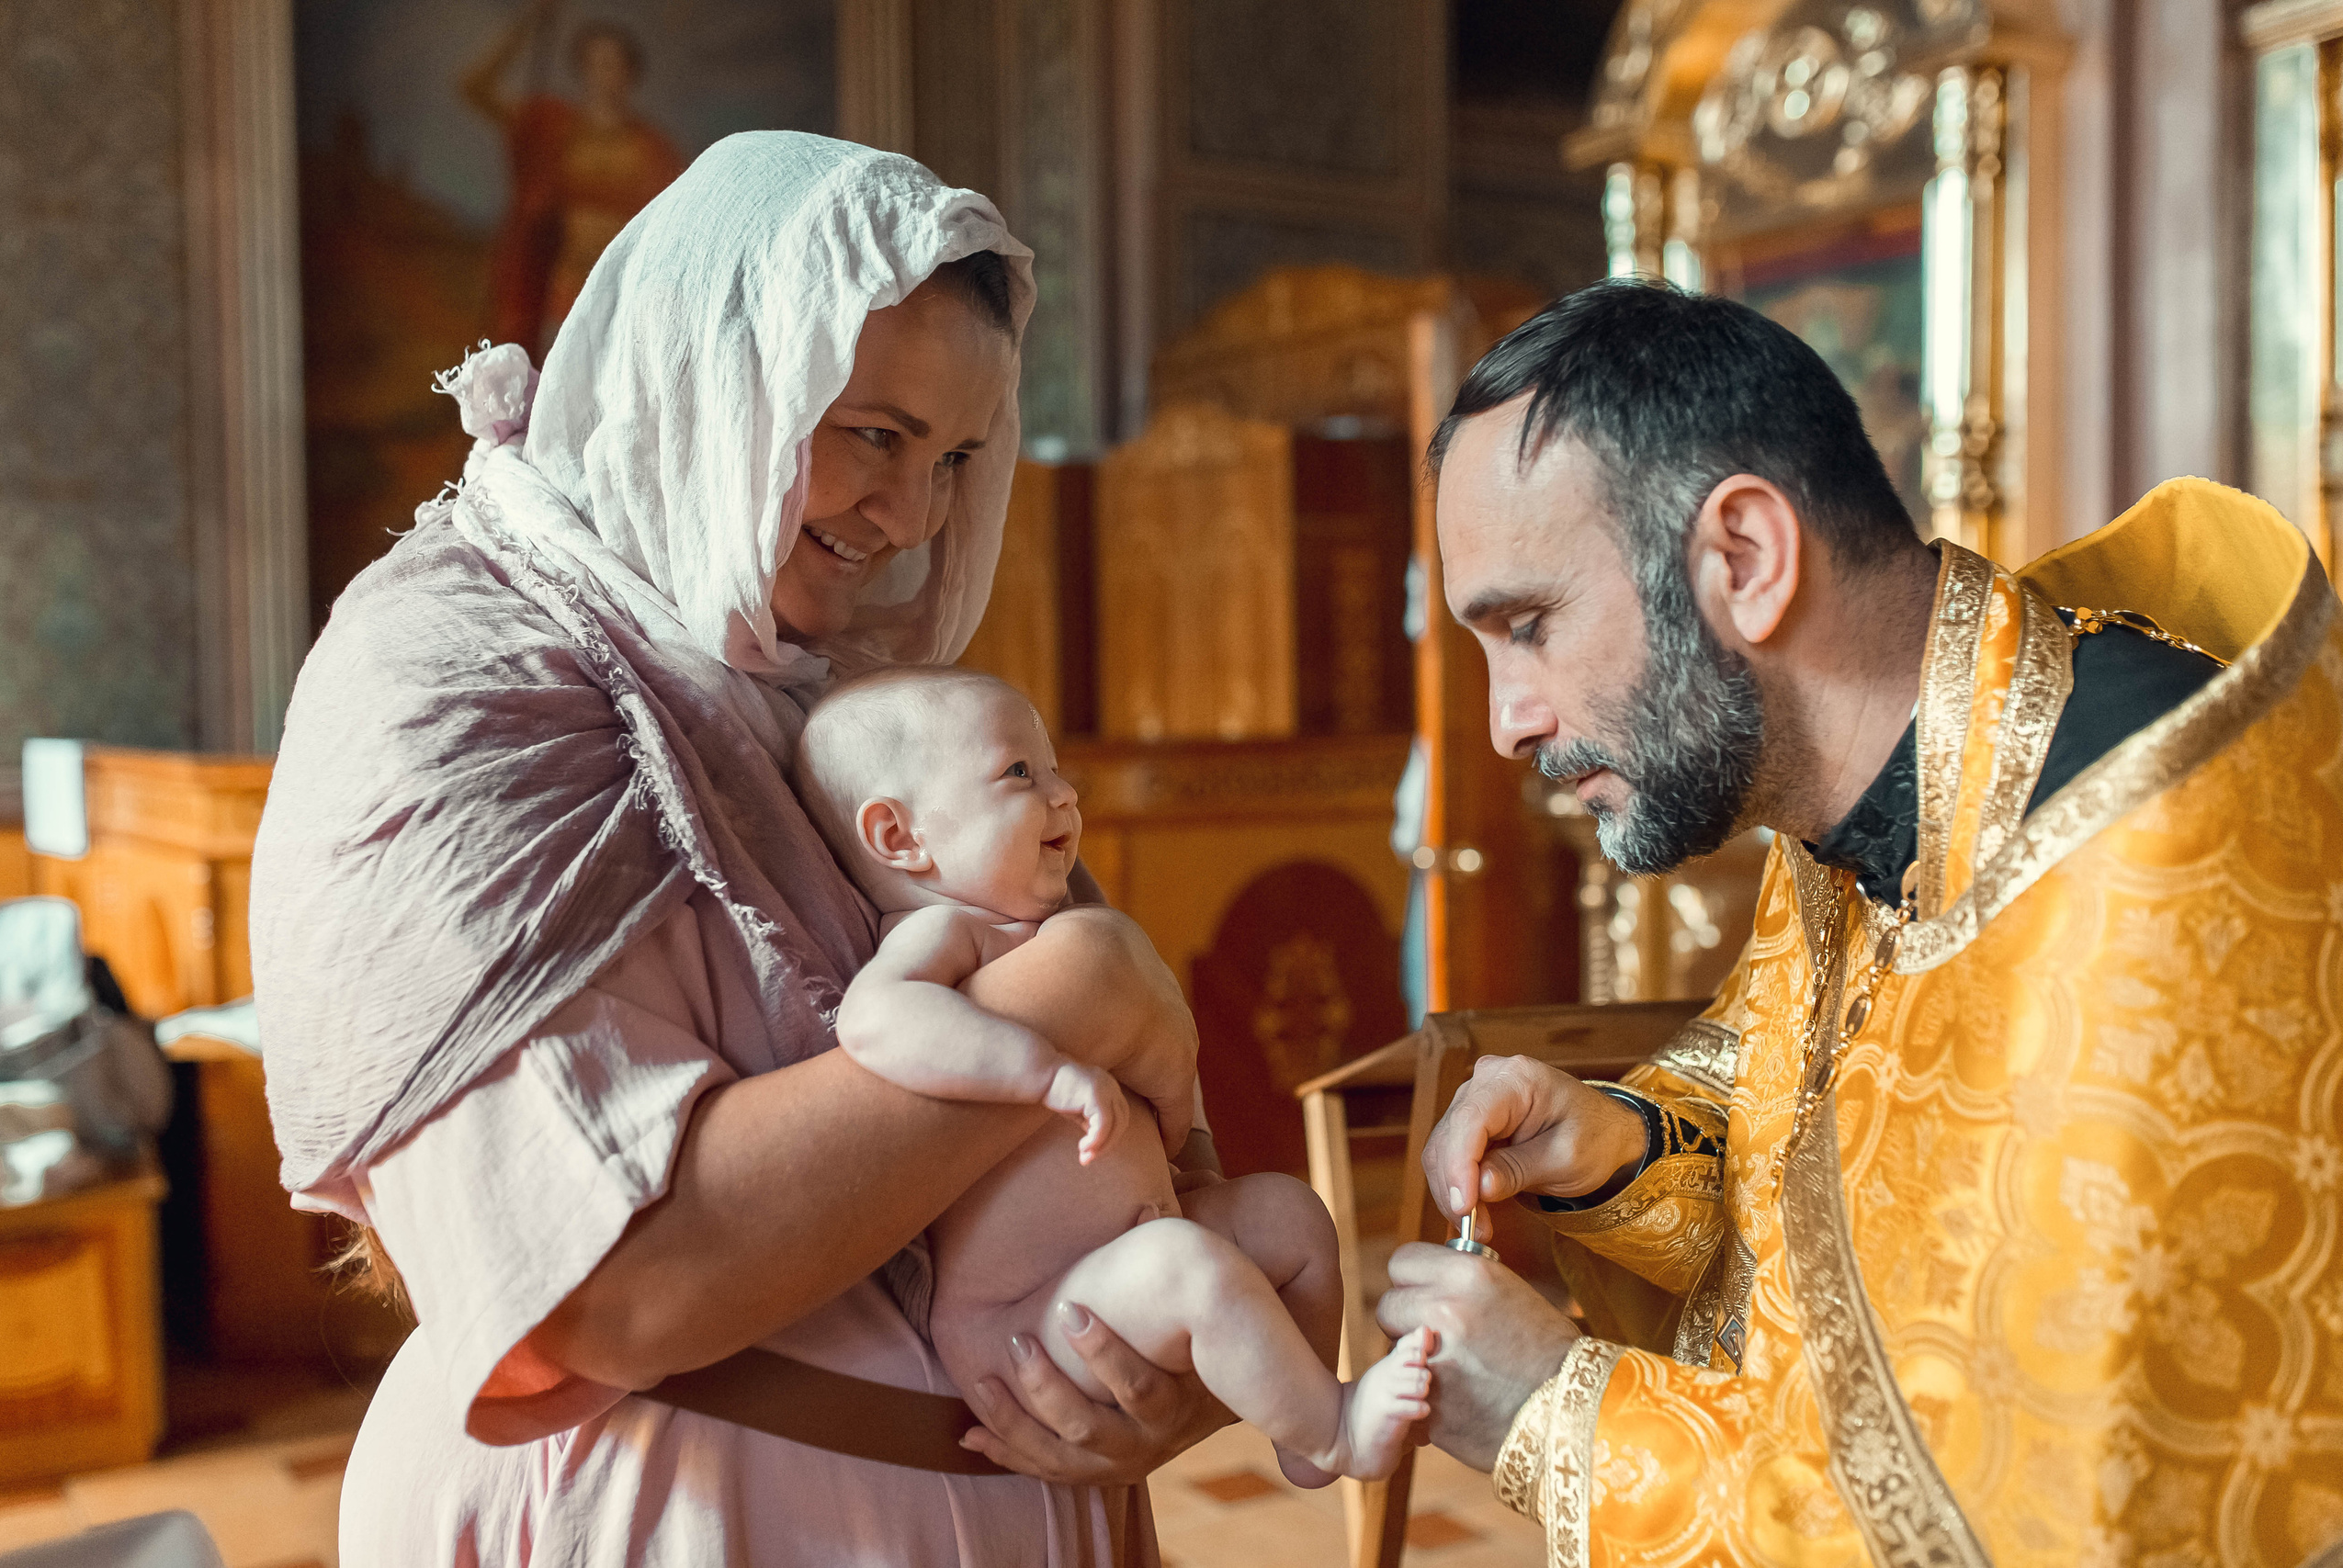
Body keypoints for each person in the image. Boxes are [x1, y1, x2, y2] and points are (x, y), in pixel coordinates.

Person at [253, 133, 1228, 1566]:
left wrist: (1173, 1369)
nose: (910, 519)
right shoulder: (447, 672)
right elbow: (620, 1284)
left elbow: (1140, 1137)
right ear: (709, 381)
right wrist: (1073, 994)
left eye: (954, 456)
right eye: (874, 434)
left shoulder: (827, 685)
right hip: (667, 1521)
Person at [1379, 278, 2343, 1566]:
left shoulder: (2150, 845)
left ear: (1745, 559)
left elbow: (2059, 1517)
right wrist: (1620, 1146)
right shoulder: (1884, 776)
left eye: (1531, 627)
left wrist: (1561, 1414)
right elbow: (1846, 1163)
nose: (1509, 720)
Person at [798, 665, 1437, 1487]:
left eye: (1056, 769)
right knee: (1189, 1268)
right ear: (899, 837)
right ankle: (1338, 1436)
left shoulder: (1044, 924)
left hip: (1126, 1248)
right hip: (1028, 1310)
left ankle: (1303, 1423)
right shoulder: (937, 933)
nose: (1065, 795)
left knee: (1290, 1211)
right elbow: (874, 1021)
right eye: (1019, 773)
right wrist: (1042, 1070)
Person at [461, 0, 684, 355]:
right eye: (594, 63)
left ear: (630, 73)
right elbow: (473, 88)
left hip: (626, 300)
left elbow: (675, 227)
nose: (603, 73)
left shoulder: (652, 148)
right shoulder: (553, 128)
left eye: (613, 64)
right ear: (582, 70)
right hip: (565, 294)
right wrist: (525, 29)